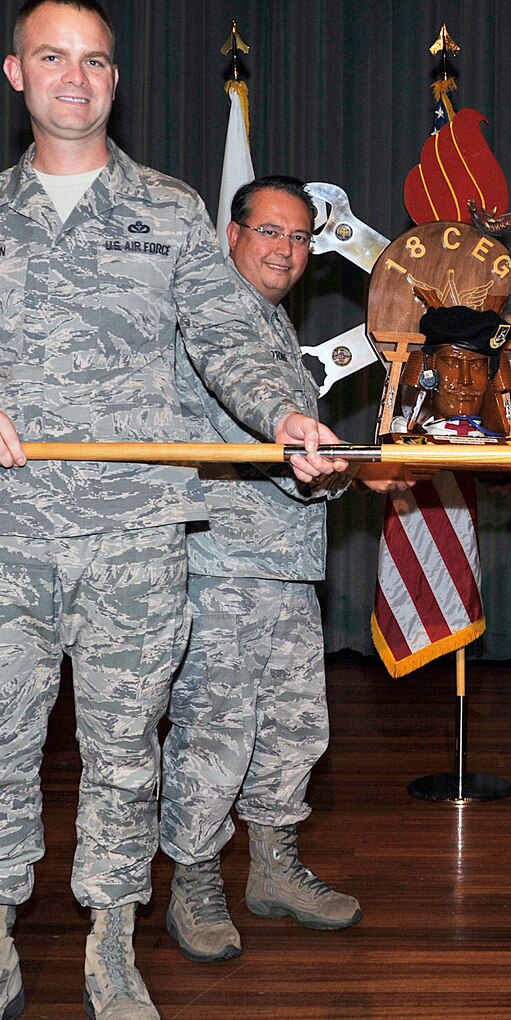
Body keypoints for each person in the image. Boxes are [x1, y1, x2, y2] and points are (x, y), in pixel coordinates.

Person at [0, 0, 343, 1020]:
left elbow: (228, 332)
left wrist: (279, 411)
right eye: (52, 58)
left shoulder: (173, 211)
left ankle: (110, 948)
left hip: (136, 530)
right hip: (1, 532)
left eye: (94, 60)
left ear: (114, 78)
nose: (75, 78)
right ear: (17, 75)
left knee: (122, 752)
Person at [162, 175, 368, 964]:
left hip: (281, 560)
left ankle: (273, 867)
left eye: (300, 236)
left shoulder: (272, 321)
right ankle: (196, 880)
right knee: (214, 733)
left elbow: (300, 442)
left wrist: (350, 465)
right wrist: (333, 455)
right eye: (270, 232)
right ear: (231, 236)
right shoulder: (218, 315)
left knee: (293, 725)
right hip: (221, 560)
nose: (285, 249)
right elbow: (260, 407)